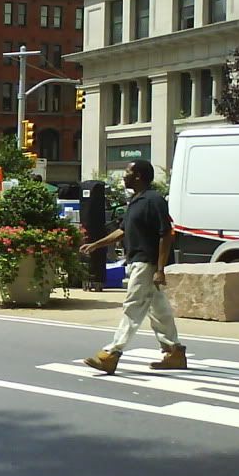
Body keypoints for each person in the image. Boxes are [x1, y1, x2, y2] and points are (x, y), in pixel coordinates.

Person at [79, 160, 187, 375]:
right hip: (137, 260)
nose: (124, 175)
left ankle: (112, 353)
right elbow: (122, 231)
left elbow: (165, 234)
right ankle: (174, 352)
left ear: (138, 176)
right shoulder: (136, 201)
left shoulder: (154, 200)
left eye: (127, 172)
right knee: (159, 310)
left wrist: (160, 268)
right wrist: (96, 244)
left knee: (133, 307)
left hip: (147, 263)